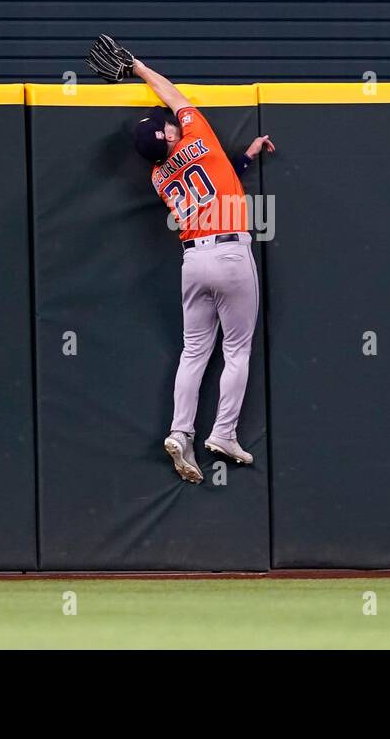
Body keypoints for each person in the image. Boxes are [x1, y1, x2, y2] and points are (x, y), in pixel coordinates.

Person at [129, 57, 274, 483]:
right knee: (237, 350)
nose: (171, 120)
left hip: (192, 260)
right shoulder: (197, 135)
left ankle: (180, 431)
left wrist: (243, 160)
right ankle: (224, 433)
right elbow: (172, 95)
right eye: (167, 124)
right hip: (229, 253)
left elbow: (212, 175)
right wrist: (137, 67)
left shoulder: (158, 177)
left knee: (193, 353)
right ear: (170, 133)